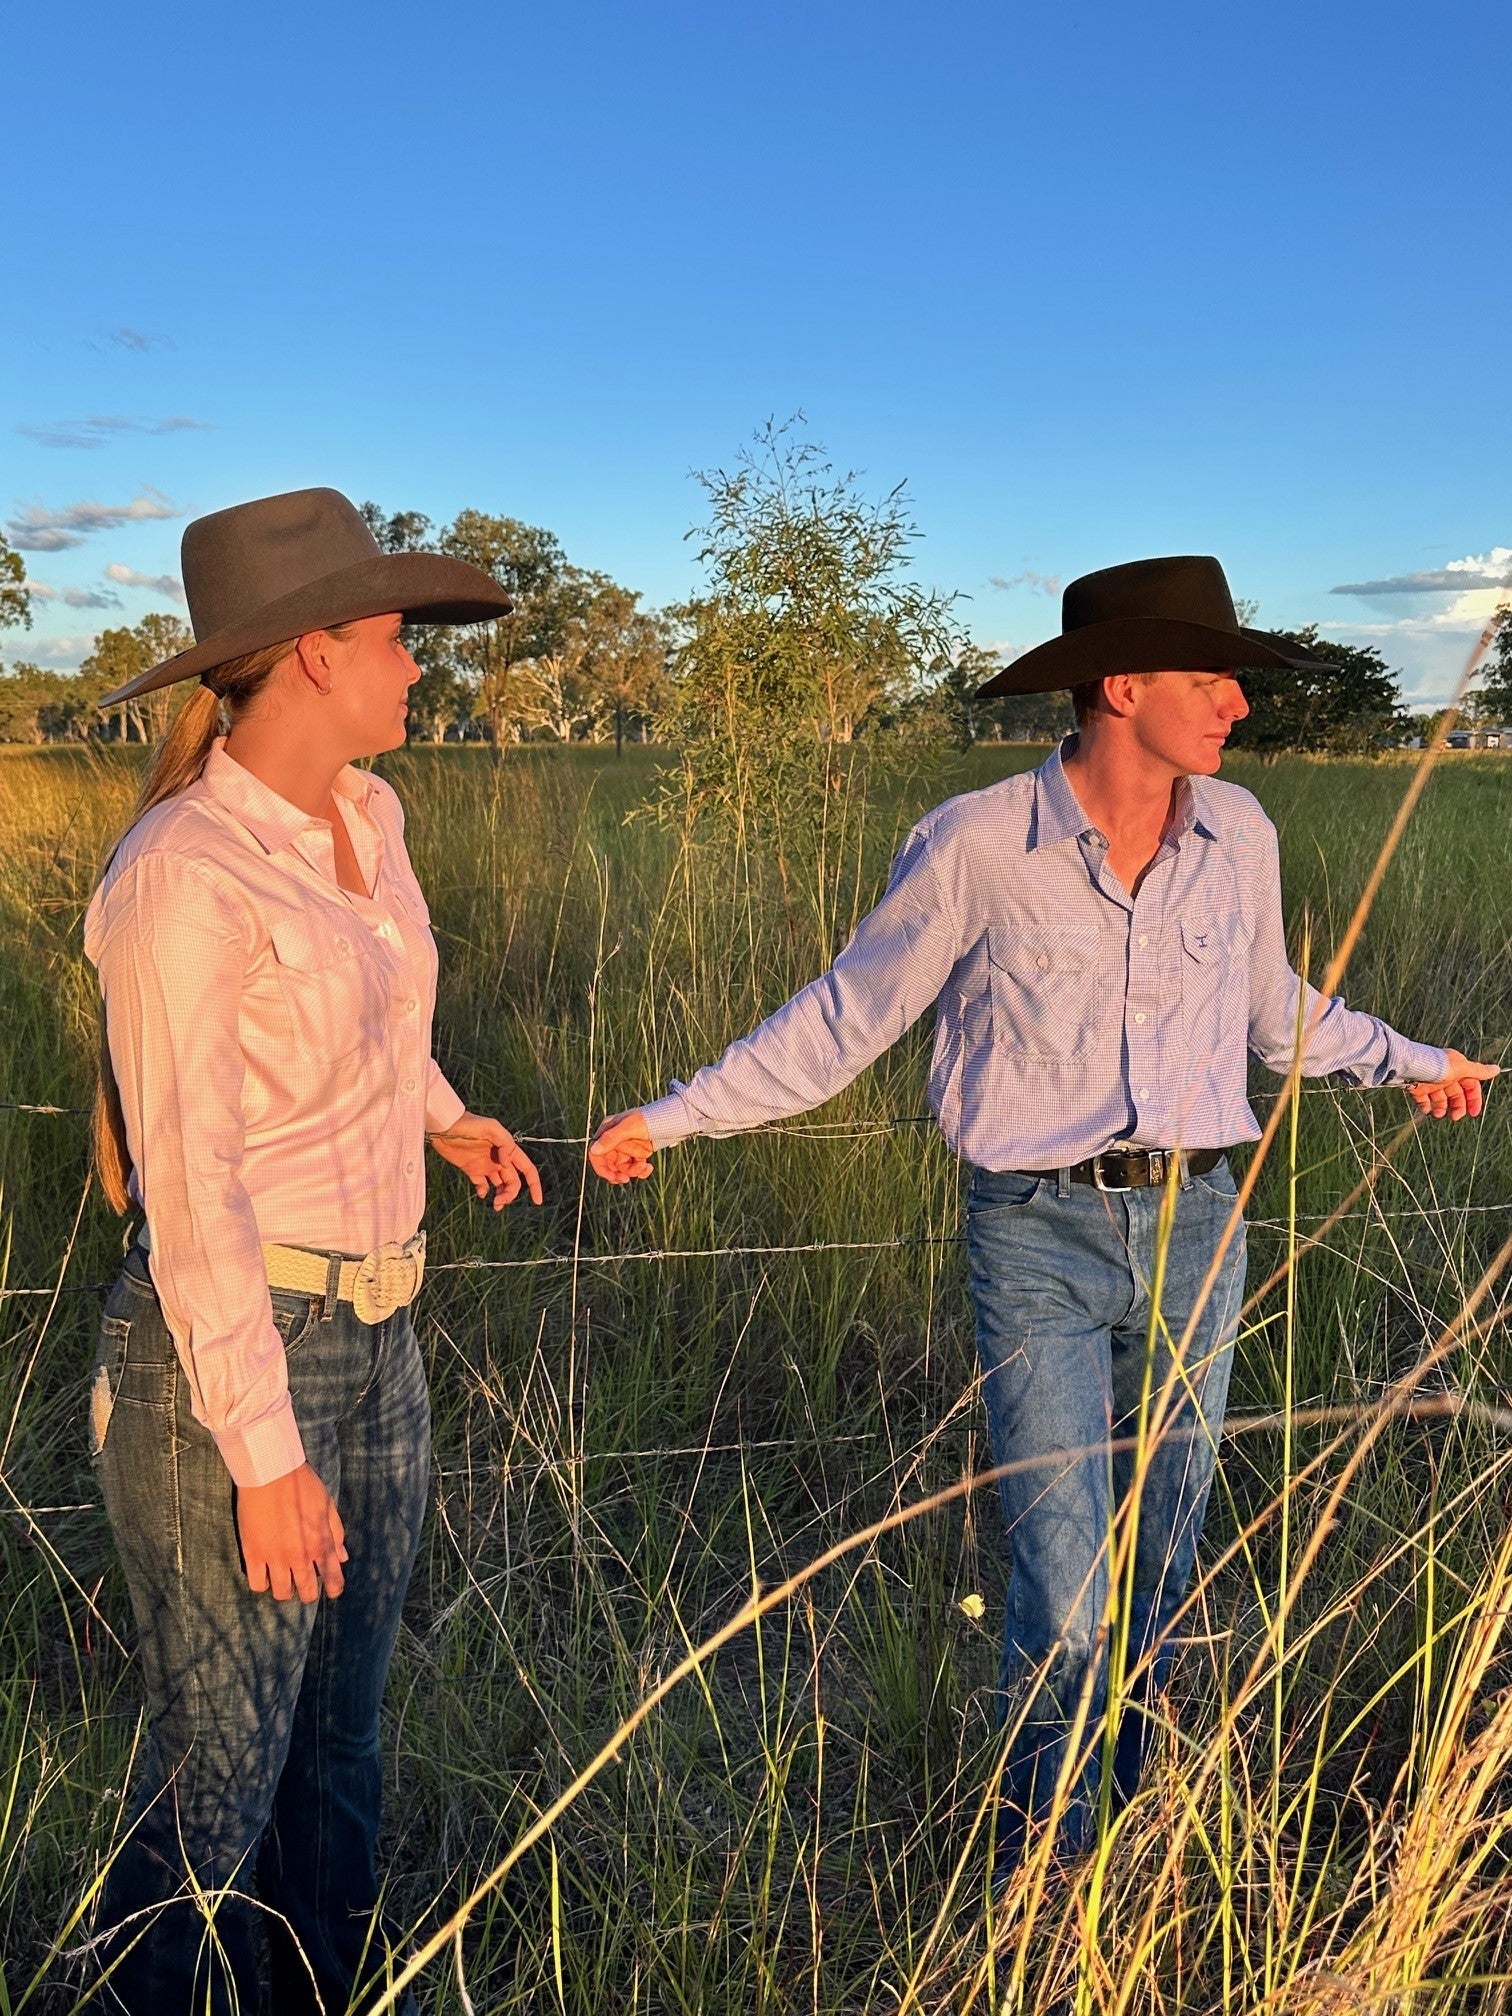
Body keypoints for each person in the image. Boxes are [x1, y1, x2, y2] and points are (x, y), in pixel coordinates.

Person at [588, 554, 1497, 1885]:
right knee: (1067, 1592)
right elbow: (848, 1016)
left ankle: (1129, 1856)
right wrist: (674, 1117)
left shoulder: (1240, 834)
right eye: (1210, 677)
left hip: (1200, 1228)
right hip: (1035, 1238)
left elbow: (1274, 1015)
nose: (1238, 704)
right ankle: (1049, 1880)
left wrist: (1411, 1061)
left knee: (1162, 1565)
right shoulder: (976, 845)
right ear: (1121, 686)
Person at [82, 489, 544, 2012]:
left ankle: (317, 1991)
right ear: (311, 657)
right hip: (235, 1362)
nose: (418, 668)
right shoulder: (184, 874)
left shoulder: (370, 817)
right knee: (222, 1769)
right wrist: (265, 1455)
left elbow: (378, 1025)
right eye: (397, 641)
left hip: (381, 1333)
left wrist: (446, 1118)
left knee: (344, 1737)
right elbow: (191, 1188)